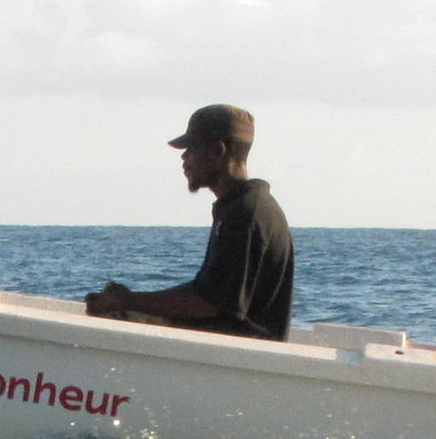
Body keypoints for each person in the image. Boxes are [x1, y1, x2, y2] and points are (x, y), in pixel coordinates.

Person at [84, 104, 294, 341]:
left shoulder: (246, 214)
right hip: (227, 348)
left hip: (238, 358)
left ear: (218, 151)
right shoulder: (240, 207)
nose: (184, 157)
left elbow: (210, 303)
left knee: (120, 313)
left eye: (191, 148)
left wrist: (128, 300)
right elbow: (209, 295)